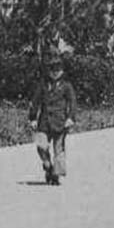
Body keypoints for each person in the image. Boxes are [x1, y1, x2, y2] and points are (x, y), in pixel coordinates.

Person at [28, 54, 77, 185]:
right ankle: (47, 165)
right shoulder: (42, 85)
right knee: (41, 146)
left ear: (62, 71)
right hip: (43, 122)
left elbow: (72, 103)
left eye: (58, 69)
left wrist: (71, 118)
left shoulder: (66, 86)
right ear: (48, 71)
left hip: (60, 122)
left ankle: (55, 175)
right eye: (52, 69)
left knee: (58, 150)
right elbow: (35, 102)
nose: (55, 72)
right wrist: (32, 118)